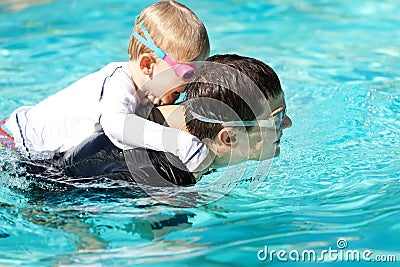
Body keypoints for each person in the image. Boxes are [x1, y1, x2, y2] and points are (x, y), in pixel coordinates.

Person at [1, 0, 211, 172]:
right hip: (15, 143)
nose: (191, 83)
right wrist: (180, 144)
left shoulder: (148, 90)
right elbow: (118, 126)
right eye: (187, 73)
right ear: (147, 65)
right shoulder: (117, 84)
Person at [27, 54, 292, 187]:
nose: (288, 124)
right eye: (277, 119)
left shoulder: (164, 112)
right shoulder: (164, 176)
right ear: (228, 137)